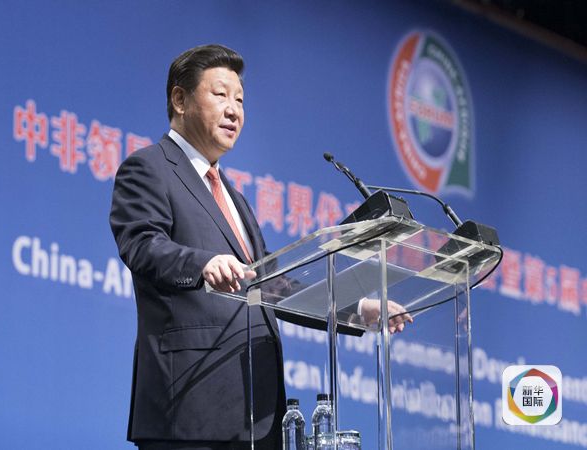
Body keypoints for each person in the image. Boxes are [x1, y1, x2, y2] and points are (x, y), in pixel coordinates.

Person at [110, 44, 412, 450]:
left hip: (256, 414)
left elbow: (272, 284)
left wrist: (357, 310)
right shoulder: (148, 167)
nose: (234, 110)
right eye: (220, 95)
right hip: (188, 408)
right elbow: (142, 244)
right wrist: (202, 265)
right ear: (180, 100)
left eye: (240, 100)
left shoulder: (234, 197)